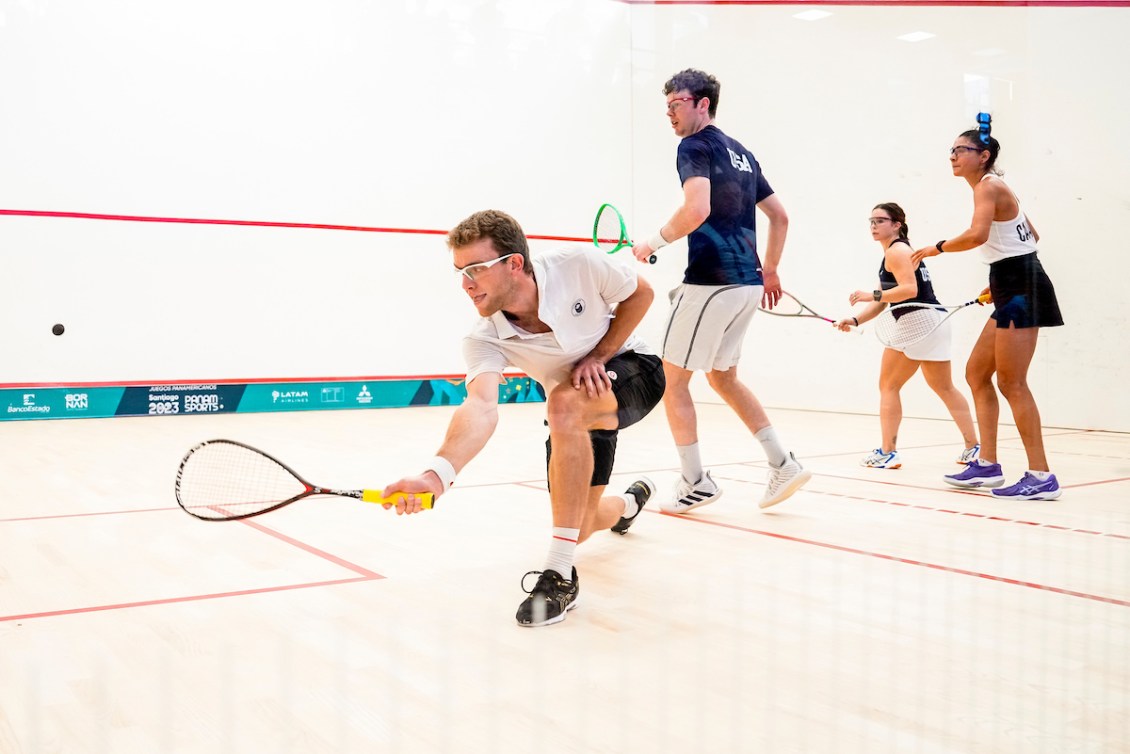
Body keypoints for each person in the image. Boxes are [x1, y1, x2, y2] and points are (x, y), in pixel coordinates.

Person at [380, 209, 666, 627]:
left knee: (563, 403)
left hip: (635, 369)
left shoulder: (579, 265)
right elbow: (480, 407)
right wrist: (435, 475)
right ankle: (628, 504)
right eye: (460, 272)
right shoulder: (483, 339)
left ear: (515, 264)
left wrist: (598, 355)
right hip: (575, 412)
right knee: (580, 526)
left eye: (476, 269)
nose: (466, 284)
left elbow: (642, 293)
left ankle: (559, 575)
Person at [631, 68, 810, 513]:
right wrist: (770, 270)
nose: (670, 113)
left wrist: (651, 243)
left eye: (677, 104)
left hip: (712, 284)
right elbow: (780, 216)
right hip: (747, 284)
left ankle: (695, 481)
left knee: (673, 381)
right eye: (667, 105)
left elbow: (697, 209)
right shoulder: (742, 153)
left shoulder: (693, 145)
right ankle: (782, 462)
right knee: (723, 377)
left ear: (702, 104)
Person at [910, 120, 1064, 501]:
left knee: (1012, 382)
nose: (953, 156)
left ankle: (1041, 476)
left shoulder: (989, 186)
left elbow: (978, 235)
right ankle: (989, 466)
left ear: (984, 156)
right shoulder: (995, 188)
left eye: (960, 150)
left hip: (1023, 288)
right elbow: (1030, 236)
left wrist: (938, 247)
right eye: (952, 150)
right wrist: (1000, 282)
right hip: (1013, 283)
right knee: (977, 373)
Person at [834, 202, 980, 469]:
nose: (874, 226)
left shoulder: (897, 252)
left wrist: (871, 294)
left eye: (880, 221)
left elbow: (908, 290)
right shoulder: (898, 251)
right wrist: (855, 319)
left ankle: (888, 452)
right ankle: (973, 448)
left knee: (888, 386)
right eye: (871, 221)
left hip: (916, 322)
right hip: (935, 319)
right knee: (944, 387)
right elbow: (882, 302)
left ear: (897, 224)